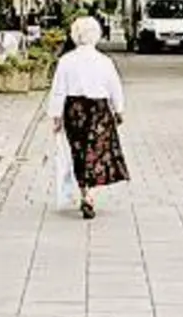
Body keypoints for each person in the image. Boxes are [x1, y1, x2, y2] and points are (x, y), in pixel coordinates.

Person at [49, 16, 129, 219]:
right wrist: (119, 110)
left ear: (74, 35)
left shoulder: (66, 61)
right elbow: (114, 87)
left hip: (74, 110)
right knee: (97, 152)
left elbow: (58, 90)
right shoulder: (104, 61)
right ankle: (90, 195)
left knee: (79, 151)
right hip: (99, 110)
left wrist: (56, 116)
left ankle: (84, 191)